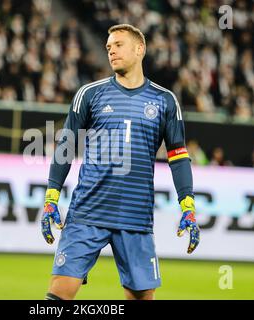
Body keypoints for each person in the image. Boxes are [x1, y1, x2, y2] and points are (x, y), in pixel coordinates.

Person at [40, 24, 200, 300]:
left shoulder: (165, 100)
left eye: (118, 44)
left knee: (142, 298)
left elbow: (178, 156)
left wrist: (188, 205)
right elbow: (65, 147)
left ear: (140, 49)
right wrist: (51, 197)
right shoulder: (89, 94)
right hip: (88, 211)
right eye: (108, 47)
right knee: (59, 294)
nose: (111, 50)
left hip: (135, 216)